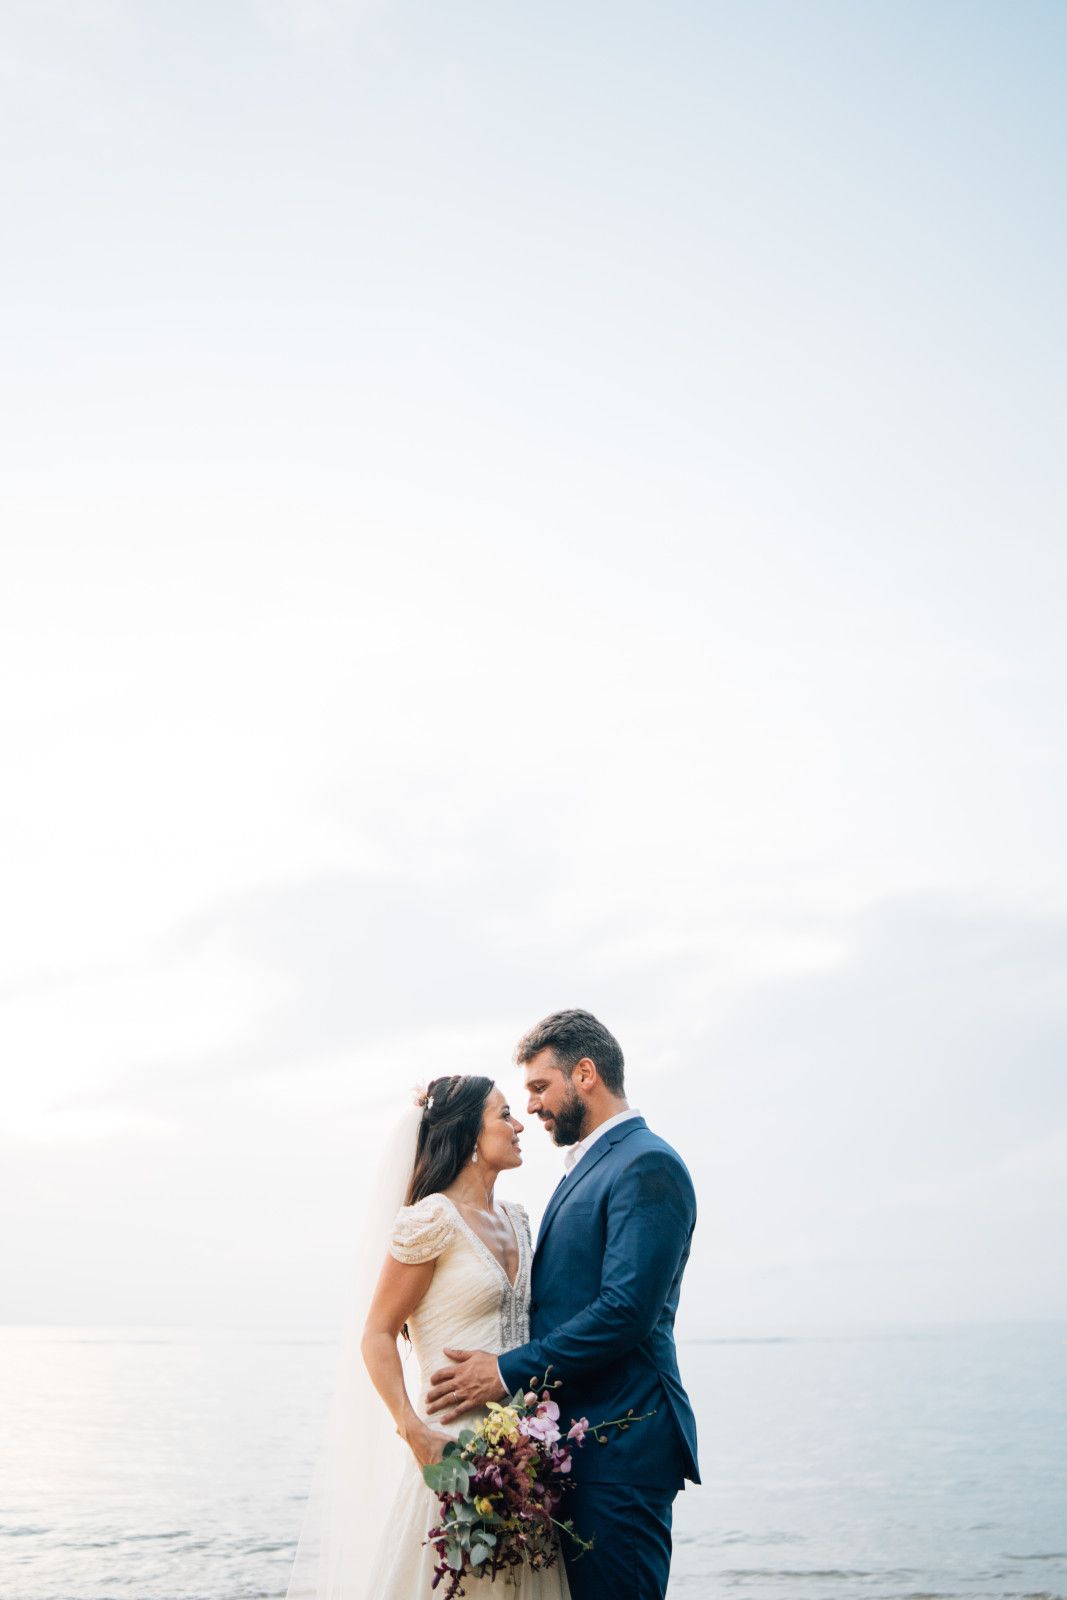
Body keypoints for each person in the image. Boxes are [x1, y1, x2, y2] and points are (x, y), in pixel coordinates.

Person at [425, 1010, 699, 1600]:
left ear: (585, 1074)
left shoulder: (646, 1164)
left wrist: (503, 1371)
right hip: (575, 1451)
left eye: (540, 1087)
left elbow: (625, 1312)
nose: (531, 1108)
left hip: (620, 1449)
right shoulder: (593, 1166)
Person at [285, 1073, 570, 1600]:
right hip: (452, 1452)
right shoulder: (431, 1220)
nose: (518, 1125)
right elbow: (377, 1333)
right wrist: (410, 1428)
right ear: (467, 1136)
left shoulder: (519, 1221)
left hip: (523, 1462)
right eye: (503, 1114)